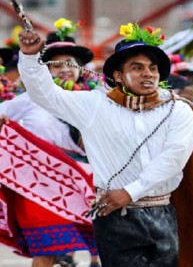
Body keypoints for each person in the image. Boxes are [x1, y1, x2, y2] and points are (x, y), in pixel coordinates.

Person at [17, 22, 193, 267]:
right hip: (116, 217)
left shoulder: (177, 109)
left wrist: (130, 192)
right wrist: (29, 59)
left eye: (152, 67)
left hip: (163, 211)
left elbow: (175, 155)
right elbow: (45, 94)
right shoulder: (93, 105)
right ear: (118, 75)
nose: (147, 73)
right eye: (137, 67)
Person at [0, 19, 100, 267]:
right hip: (38, 186)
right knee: (47, 250)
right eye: (57, 64)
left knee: (106, 245)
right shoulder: (31, 99)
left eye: (71, 63)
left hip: (82, 183)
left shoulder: (95, 99)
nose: (65, 69)